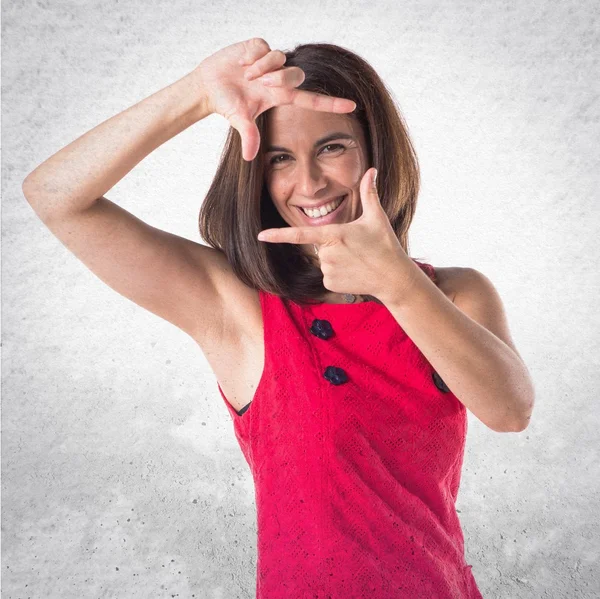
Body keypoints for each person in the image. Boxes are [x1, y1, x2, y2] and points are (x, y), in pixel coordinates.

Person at [23, 37, 534, 598]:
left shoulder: (455, 294)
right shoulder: (240, 308)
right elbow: (54, 195)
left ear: (375, 152)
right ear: (258, 176)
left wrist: (396, 283)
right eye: (280, 158)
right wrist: (196, 95)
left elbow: (510, 410)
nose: (310, 183)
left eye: (333, 147)